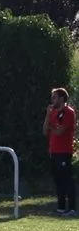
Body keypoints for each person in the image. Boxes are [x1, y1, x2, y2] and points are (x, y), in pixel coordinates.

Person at [43, 87, 76, 216]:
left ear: (61, 98)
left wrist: (51, 126)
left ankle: (72, 208)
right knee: (58, 181)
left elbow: (60, 131)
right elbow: (45, 131)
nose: (52, 100)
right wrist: (48, 115)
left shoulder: (69, 112)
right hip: (54, 151)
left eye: (55, 97)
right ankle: (61, 208)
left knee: (67, 180)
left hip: (64, 151)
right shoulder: (53, 112)